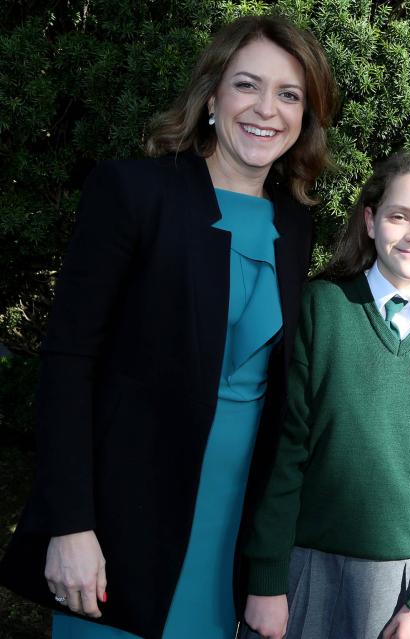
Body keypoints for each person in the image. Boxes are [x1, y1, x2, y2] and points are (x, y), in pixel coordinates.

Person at [0, 14, 338, 639]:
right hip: (121, 527)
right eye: (247, 85)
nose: (266, 109)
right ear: (211, 96)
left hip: (230, 530)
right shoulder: (131, 192)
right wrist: (70, 523)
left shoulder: (293, 225)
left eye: (289, 94)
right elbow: (69, 362)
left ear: (305, 117)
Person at [240, 151, 410, 639]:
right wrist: (266, 579)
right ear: (370, 219)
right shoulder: (320, 307)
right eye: (400, 215)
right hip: (300, 565)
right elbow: (282, 451)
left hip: (397, 584)